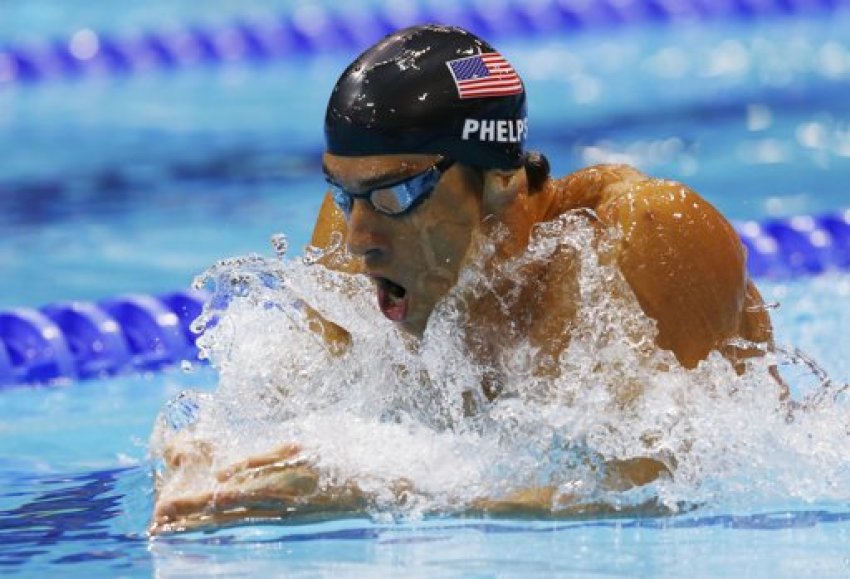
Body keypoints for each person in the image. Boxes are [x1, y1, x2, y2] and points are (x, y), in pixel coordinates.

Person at [150, 24, 776, 534]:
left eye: (396, 192)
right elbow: (291, 410)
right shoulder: (358, 228)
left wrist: (382, 489)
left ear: (500, 180)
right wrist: (211, 462)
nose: (360, 238)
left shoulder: (640, 239)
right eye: (343, 194)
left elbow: (664, 486)